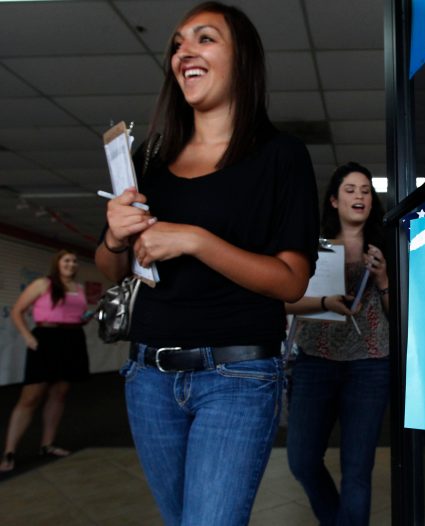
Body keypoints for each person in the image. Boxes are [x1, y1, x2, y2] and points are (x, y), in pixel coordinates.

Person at [94, 2, 318, 524]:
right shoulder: (150, 157)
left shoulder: (281, 156)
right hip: (148, 378)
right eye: (176, 44)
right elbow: (112, 270)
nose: (183, 52)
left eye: (204, 38)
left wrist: (196, 240)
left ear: (243, 58)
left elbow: (291, 280)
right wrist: (113, 234)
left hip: (237, 377)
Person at [286, 162, 389, 526]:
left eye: (365, 190)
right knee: (300, 459)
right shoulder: (313, 250)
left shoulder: (386, 248)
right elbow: (286, 300)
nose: (359, 196)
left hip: (370, 364)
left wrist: (383, 278)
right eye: (350, 190)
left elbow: (400, 313)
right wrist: (325, 302)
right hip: (315, 360)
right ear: (333, 200)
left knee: (357, 471)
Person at [0, 249, 89, 472]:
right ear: (57, 263)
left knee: (60, 393)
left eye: (74, 261)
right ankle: (9, 452)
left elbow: (75, 316)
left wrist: (85, 320)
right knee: (31, 397)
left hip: (72, 340)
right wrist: (28, 336)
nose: (71, 263)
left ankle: (47, 445)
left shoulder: (79, 289)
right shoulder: (43, 284)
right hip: (46, 339)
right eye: (66, 260)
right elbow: (17, 311)